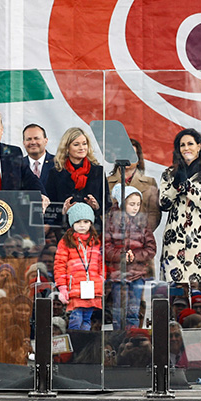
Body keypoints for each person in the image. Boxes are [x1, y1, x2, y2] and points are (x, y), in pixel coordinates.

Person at [158, 128, 201, 289]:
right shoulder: (169, 174)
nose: (186, 148)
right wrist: (175, 186)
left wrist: (187, 185)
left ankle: (198, 315)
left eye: (190, 144)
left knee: (198, 290)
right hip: (174, 237)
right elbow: (164, 203)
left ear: (199, 147)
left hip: (198, 237)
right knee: (176, 291)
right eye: (182, 145)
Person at [104, 187, 156, 329]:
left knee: (133, 312)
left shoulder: (143, 222)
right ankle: (118, 341)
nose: (135, 208)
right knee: (118, 313)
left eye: (138, 204)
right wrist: (121, 255)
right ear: (123, 203)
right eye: (131, 204)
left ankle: (131, 342)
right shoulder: (111, 221)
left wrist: (136, 256)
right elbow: (106, 247)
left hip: (137, 274)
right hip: (117, 274)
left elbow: (151, 248)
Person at [54, 202, 104, 331]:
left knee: (87, 319)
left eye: (86, 222)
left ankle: (82, 346)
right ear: (72, 223)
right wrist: (62, 287)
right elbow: (60, 264)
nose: (82, 225)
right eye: (78, 222)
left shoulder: (95, 241)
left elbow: (100, 262)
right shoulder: (66, 242)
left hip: (92, 287)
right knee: (76, 319)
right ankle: (75, 346)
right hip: (74, 288)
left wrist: (101, 278)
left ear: (91, 223)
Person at [43, 127, 109, 219]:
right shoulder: (56, 172)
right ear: (67, 148)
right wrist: (63, 210)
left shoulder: (98, 171)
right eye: (76, 144)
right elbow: (50, 206)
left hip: (92, 227)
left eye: (84, 144)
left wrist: (97, 206)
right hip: (64, 228)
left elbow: (107, 204)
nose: (82, 148)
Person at [106, 138, 161, 232]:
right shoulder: (107, 182)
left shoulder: (150, 182)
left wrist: (142, 234)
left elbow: (154, 214)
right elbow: (102, 212)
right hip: (113, 238)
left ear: (138, 159)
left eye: (131, 154)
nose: (127, 158)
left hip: (139, 239)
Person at [22, 123, 54, 189]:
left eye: (37, 138)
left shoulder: (58, 163)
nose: (33, 142)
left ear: (46, 141)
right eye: (29, 139)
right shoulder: (18, 165)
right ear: (24, 143)